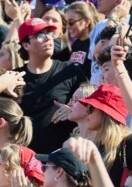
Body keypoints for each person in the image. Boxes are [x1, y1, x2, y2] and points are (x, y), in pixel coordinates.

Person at [15, 17, 89, 154]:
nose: (48, 38)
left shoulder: (70, 71)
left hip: (60, 160)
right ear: (26, 45)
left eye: (49, 33)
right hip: (24, 159)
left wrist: (73, 110)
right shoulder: (15, 78)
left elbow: (90, 104)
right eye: (40, 35)